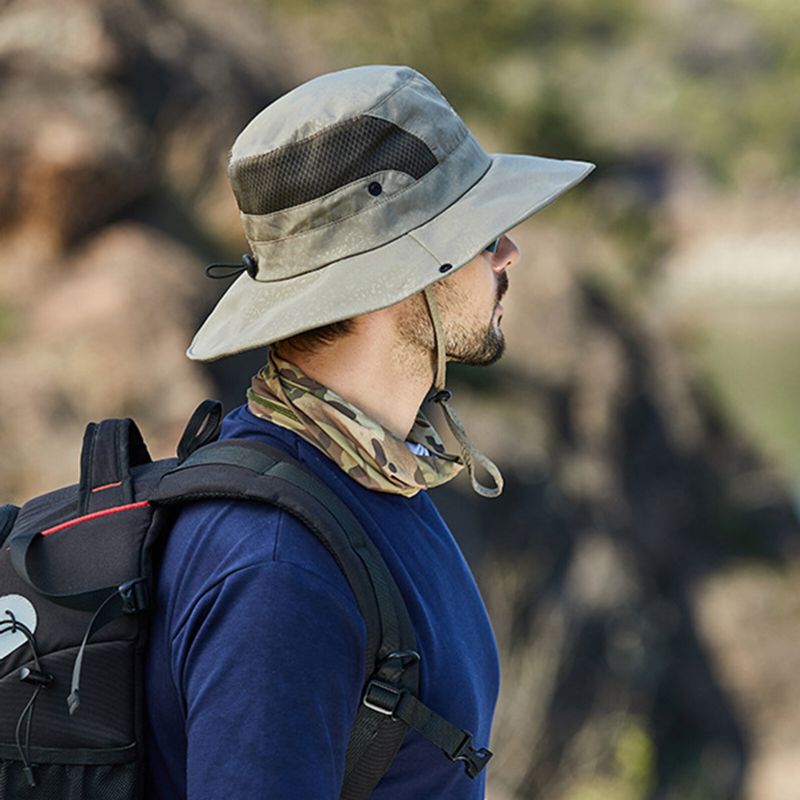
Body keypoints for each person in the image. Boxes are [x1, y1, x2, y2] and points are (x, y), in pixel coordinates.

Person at [145, 64, 594, 799]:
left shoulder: (373, 479)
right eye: (479, 233)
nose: (509, 251)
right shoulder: (276, 569)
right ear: (400, 274)